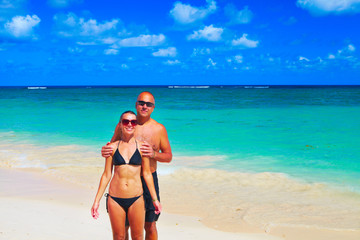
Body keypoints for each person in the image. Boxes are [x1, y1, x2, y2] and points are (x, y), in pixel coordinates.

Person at [101, 91, 172, 240]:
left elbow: (168, 157)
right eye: (141, 103)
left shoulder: (159, 129)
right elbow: (112, 147)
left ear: (153, 107)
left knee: (150, 225)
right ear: (136, 104)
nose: (144, 106)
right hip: (125, 183)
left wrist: (153, 154)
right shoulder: (125, 124)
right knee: (124, 228)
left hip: (148, 179)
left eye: (149, 104)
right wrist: (104, 150)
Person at [91, 111, 162, 240]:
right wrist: (96, 201)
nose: (130, 124)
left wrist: (155, 199)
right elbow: (107, 175)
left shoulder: (142, 147)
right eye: (126, 121)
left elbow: (147, 174)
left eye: (133, 122)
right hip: (115, 199)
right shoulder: (111, 148)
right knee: (118, 237)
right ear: (120, 124)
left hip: (136, 199)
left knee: (137, 237)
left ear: (136, 125)